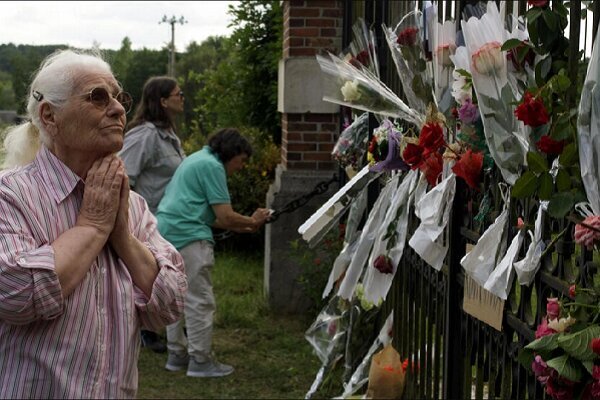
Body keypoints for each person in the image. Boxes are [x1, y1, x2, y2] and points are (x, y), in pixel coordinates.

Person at [0, 49, 187, 398]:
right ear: (50, 117)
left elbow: (171, 303)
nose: (118, 109)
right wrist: (92, 228)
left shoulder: (131, 205)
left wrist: (124, 239)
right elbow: (16, 296)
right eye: (97, 98)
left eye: (118, 97)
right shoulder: (9, 196)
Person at [156, 127, 271, 378]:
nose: (240, 167)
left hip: (167, 232)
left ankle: (177, 355)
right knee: (199, 300)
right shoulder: (213, 166)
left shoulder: (197, 159)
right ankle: (200, 360)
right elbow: (226, 216)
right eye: (241, 161)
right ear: (232, 153)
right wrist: (252, 221)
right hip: (189, 238)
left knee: (175, 296)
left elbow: (211, 215)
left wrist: (246, 225)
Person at [119, 76, 186, 353]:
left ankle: (159, 325)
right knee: (145, 273)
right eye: (178, 94)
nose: (183, 97)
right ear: (162, 100)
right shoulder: (144, 135)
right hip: (146, 221)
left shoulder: (168, 135)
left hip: (167, 219)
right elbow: (123, 177)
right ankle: (145, 329)